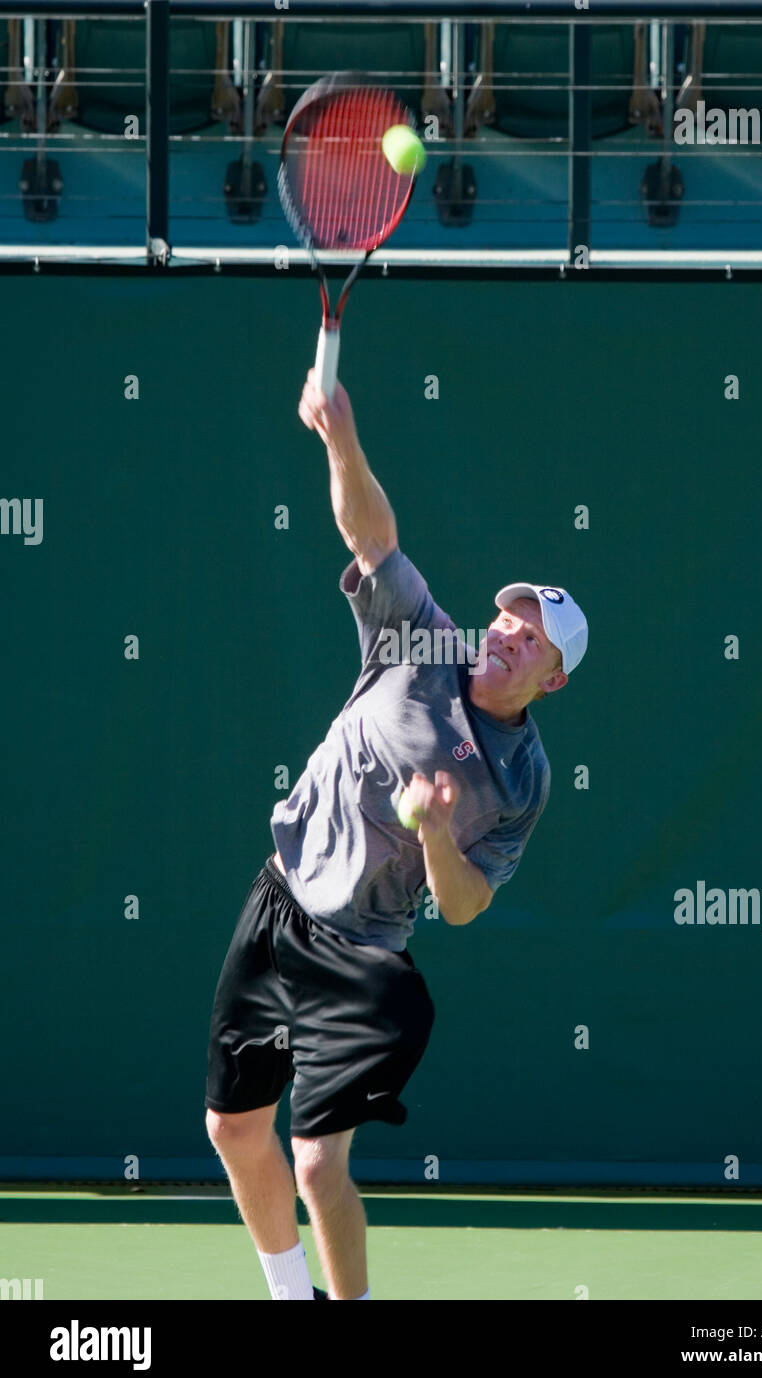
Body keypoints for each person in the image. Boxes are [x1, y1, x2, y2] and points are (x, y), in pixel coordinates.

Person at [204, 372, 588, 1300]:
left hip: (364, 953)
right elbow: (372, 539)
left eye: (529, 639)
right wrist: (341, 439)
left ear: (551, 679)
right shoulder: (425, 640)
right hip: (278, 898)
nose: (505, 634)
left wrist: (440, 832)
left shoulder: (520, 779)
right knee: (232, 1130)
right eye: (508, 617)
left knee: (315, 1166)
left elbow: (461, 908)